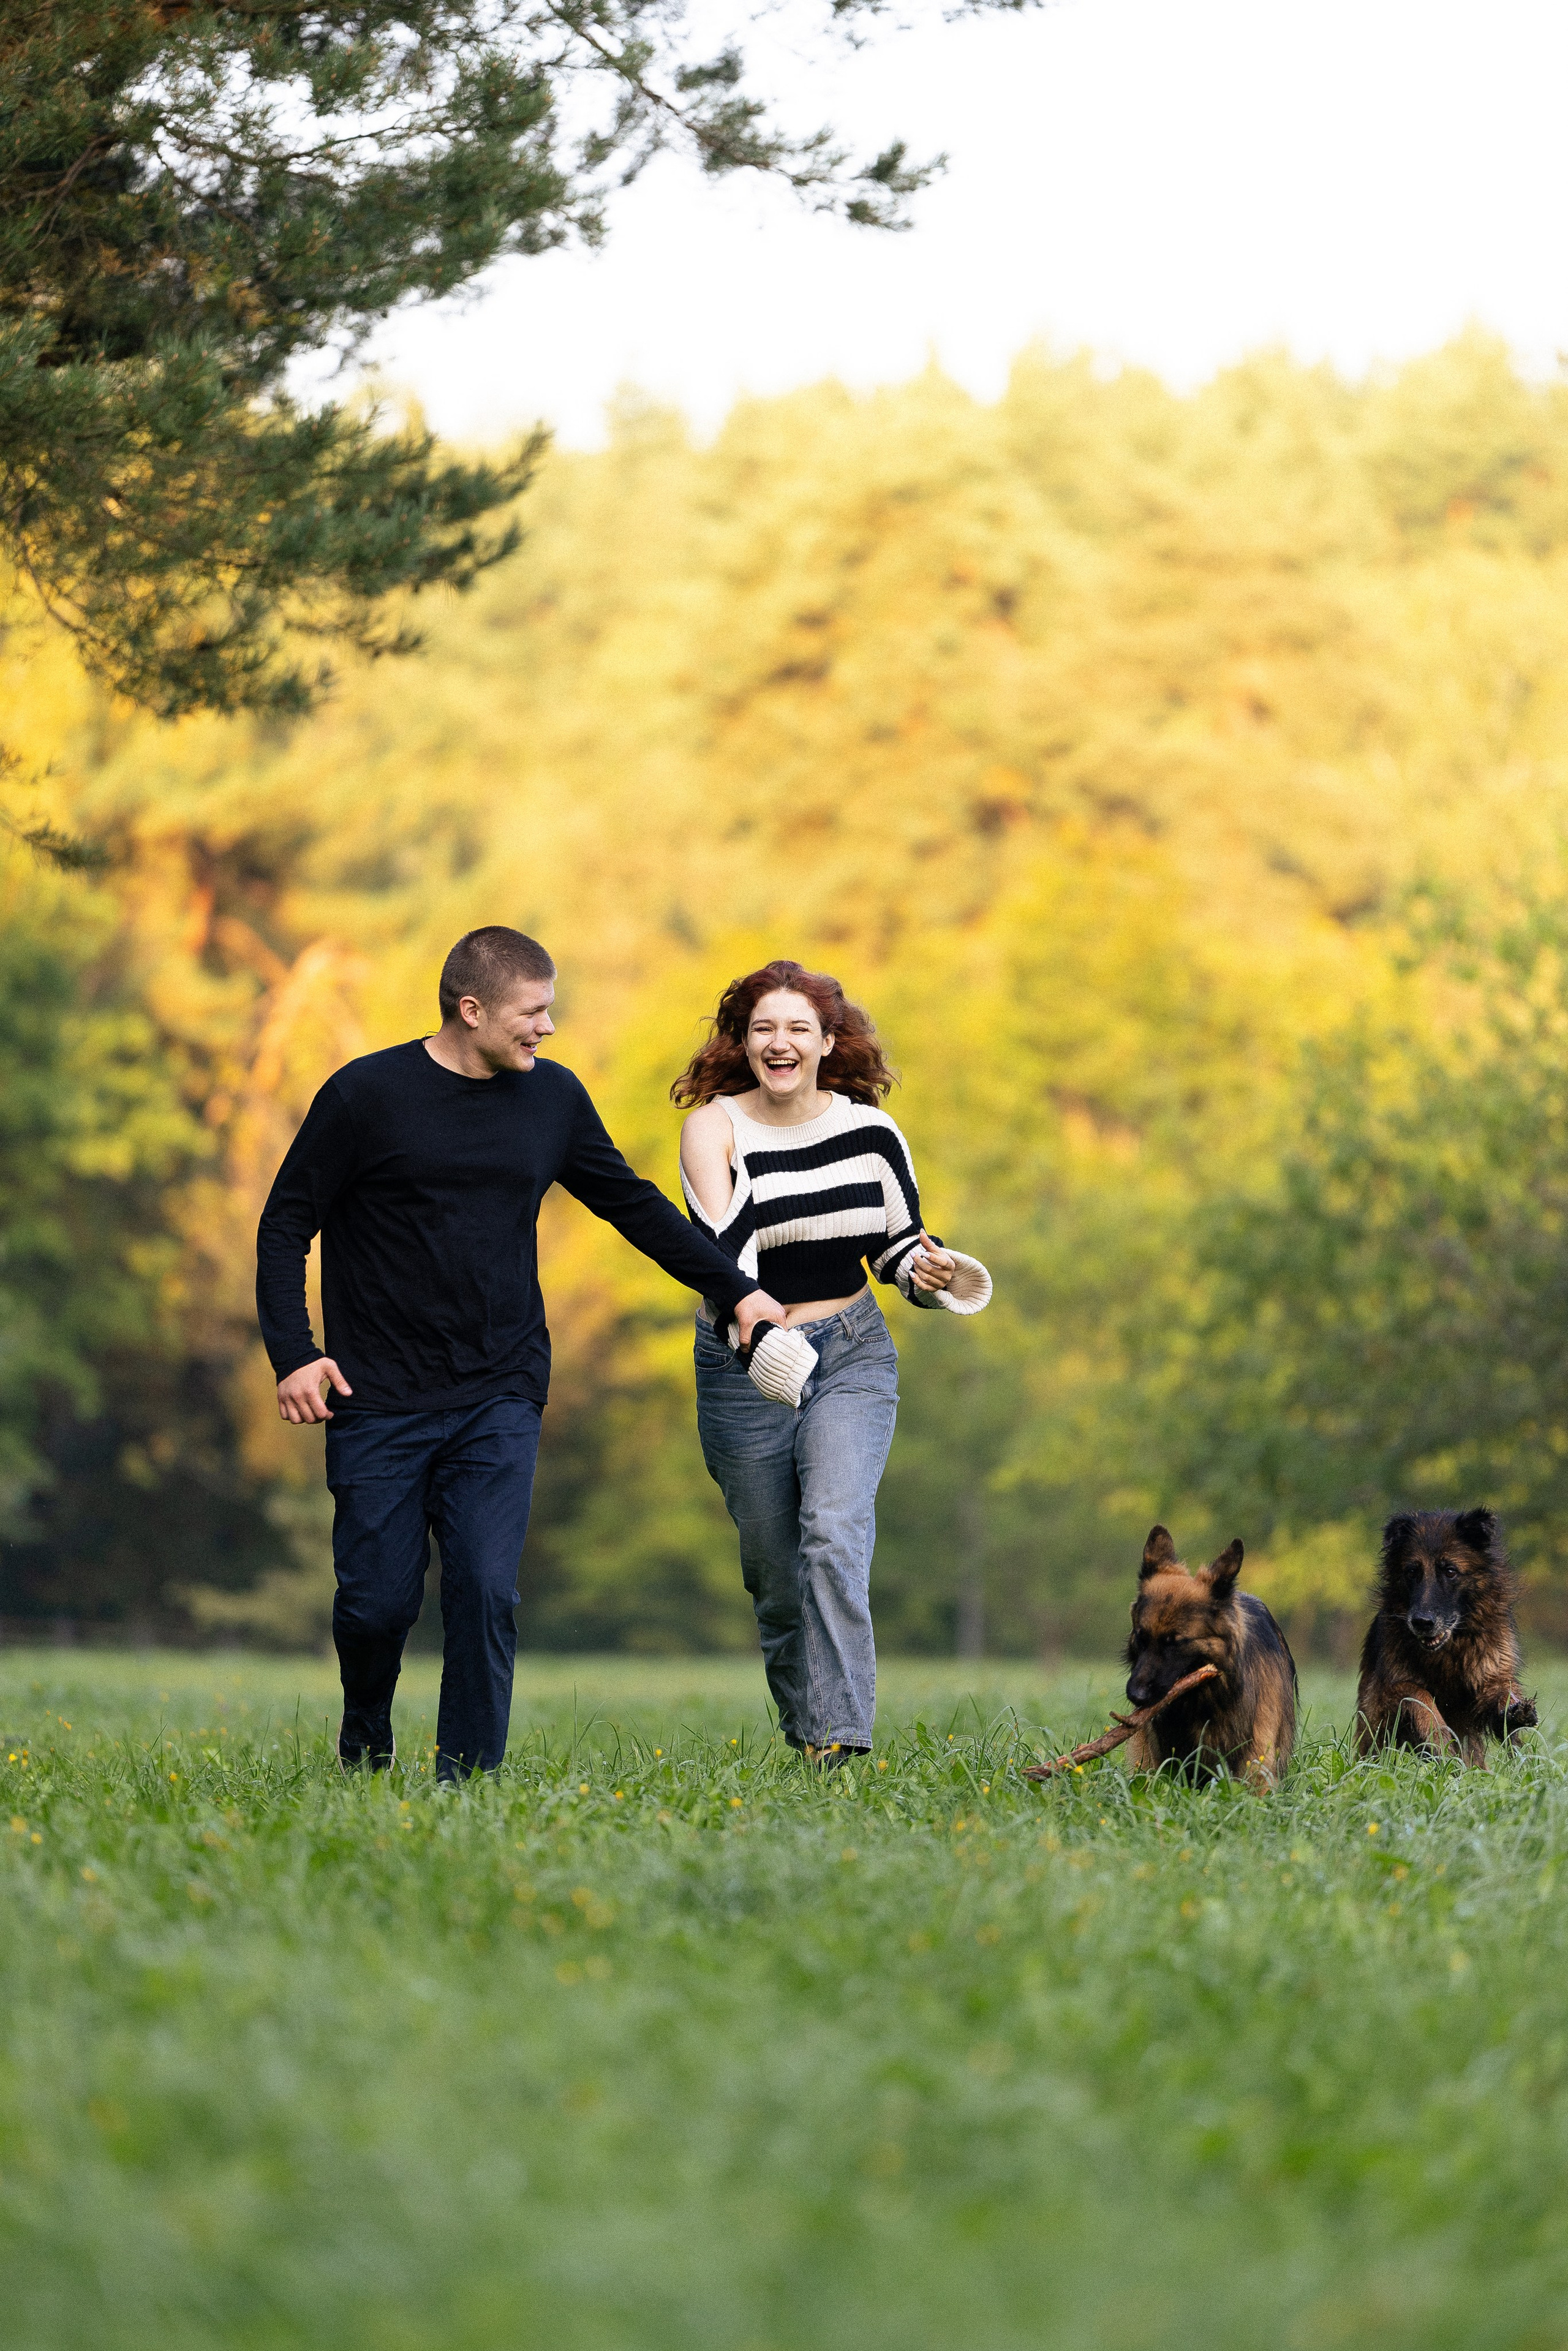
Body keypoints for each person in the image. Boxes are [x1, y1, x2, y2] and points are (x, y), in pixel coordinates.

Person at [256, 926, 783, 1779]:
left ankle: (468, 1783)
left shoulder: (553, 1100)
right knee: (376, 1603)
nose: (548, 1027)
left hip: (498, 1388)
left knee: (485, 1588)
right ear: (472, 1010)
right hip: (376, 1392)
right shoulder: (365, 1097)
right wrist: (294, 1352)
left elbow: (633, 1205)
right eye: (533, 1010)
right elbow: (286, 1224)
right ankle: (365, 1729)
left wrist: (737, 1287)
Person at [674, 959, 989, 1767]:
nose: (780, 1043)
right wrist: (756, 1333)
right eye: (763, 1029)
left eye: (797, 1028)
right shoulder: (715, 1128)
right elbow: (724, 1247)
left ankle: (842, 1743)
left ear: (826, 1041)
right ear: (743, 1043)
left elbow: (898, 1244)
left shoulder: (870, 1132)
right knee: (776, 1574)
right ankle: (810, 1731)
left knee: (833, 1533)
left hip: (850, 1352)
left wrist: (929, 1269)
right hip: (746, 1365)